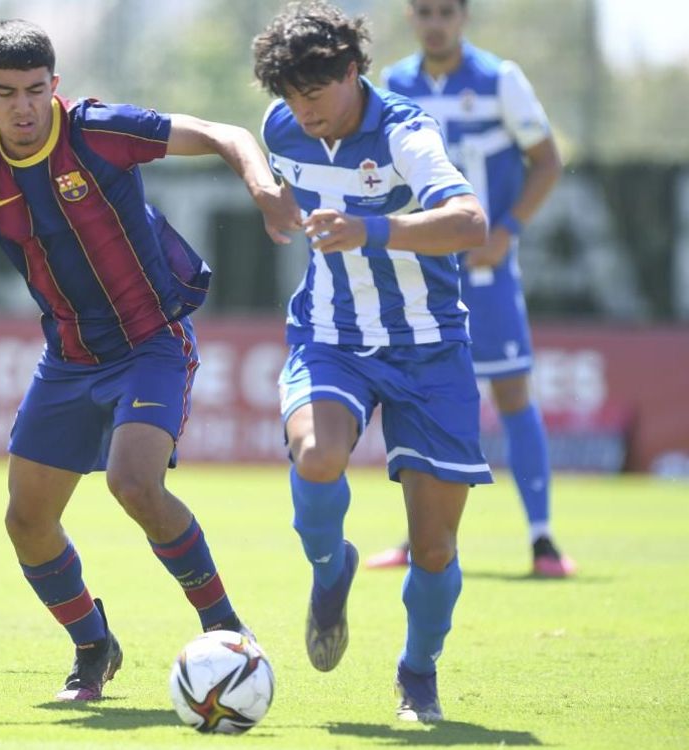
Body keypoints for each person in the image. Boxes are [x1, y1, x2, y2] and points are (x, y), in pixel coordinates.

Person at [0, 19, 298, 701]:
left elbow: (224, 134)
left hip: (152, 341)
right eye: (6, 94)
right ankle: (94, 645)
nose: (24, 107)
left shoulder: (96, 131)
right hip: (68, 357)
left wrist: (263, 188)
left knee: (134, 484)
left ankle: (228, 632)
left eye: (36, 90)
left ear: (54, 86)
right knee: (25, 521)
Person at [254, 1, 490, 722]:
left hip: (430, 347)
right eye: (291, 96)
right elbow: (284, 183)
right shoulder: (281, 127)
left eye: (316, 94)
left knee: (434, 545)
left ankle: (417, 673)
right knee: (318, 458)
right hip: (333, 336)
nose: (305, 110)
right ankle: (331, 572)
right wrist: (273, 200)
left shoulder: (405, 131)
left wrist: (371, 229)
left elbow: (470, 224)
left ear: (353, 72)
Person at [370, 0, 575, 578]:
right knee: (416, 396)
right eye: (425, 12)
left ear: (463, 18)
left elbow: (547, 160)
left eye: (446, 12)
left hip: (485, 271)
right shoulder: (394, 84)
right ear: (412, 18)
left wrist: (506, 231)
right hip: (425, 272)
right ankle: (416, 540)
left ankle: (543, 541)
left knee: (511, 394)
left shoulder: (498, 79)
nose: (435, 23)